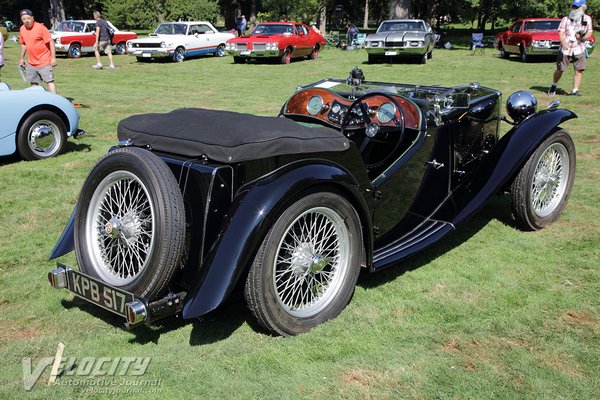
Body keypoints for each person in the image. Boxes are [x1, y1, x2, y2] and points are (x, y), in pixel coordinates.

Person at [548, 0, 593, 96]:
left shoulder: (587, 19)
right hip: (566, 48)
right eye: (574, 7)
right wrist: (563, 43)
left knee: (579, 69)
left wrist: (583, 37)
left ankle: (575, 90)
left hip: (579, 47)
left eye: (577, 7)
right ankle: (553, 85)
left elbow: (589, 32)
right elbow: (560, 32)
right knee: (560, 69)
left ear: (583, 7)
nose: (575, 9)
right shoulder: (566, 19)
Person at [18, 9, 57, 93]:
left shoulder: (41, 28)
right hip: (31, 63)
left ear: (33, 18)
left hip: (44, 61)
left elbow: (51, 42)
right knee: (33, 84)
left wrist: (53, 58)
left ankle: (54, 102)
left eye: (28, 18)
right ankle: (36, 102)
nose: (26, 21)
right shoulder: (22, 29)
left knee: (50, 82)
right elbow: (23, 44)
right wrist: (21, 58)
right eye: (24, 19)